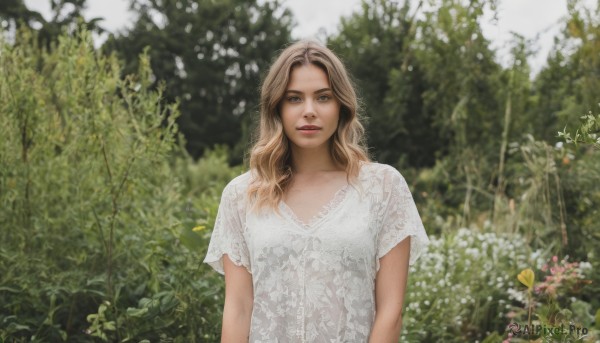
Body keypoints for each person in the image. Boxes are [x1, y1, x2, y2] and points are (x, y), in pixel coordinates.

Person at [203, 40, 429, 342]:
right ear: (277, 108)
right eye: (294, 99)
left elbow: (391, 310)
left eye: (323, 97)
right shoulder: (243, 195)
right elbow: (238, 308)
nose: (309, 111)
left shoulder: (383, 188)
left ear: (342, 106)